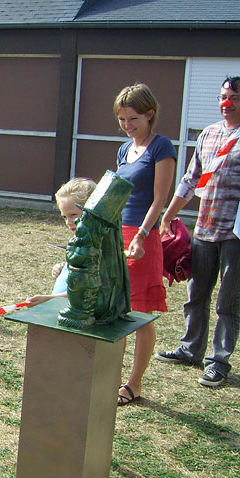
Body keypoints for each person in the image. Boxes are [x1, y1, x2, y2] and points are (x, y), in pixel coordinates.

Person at [157, 76, 240, 388]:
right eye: (223, 96)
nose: (227, 102)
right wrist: (169, 215)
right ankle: (191, 349)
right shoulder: (208, 135)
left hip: (236, 235)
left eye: (234, 96)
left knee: (228, 302)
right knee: (196, 295)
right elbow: (191, 180)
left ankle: (218, 361)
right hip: (204, 229)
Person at [113, 83, 176, 405]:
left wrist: (141, 234)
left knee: (139, 313)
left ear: (150, 115)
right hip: (119, 233)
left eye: (133, 119)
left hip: (143, 236)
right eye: (122, 119)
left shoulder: (161, 147)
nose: (127, 126)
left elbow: (159, 199)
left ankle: (134, 383)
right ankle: (111, 375)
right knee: (118, 307)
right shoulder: (125, 150)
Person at [26, 177, 97, 307]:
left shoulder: (96, 248)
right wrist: (63, 268)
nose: (68, 222)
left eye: (73, 215)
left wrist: (50, 299)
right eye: (64, 217)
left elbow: (88, 292)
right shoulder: (77, 242)